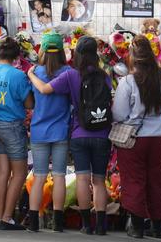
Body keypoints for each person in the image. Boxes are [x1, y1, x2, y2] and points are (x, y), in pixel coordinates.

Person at [29, 36, 112, 235]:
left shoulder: (71, 75)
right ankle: (98, 225)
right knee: (97, 181)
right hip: (98, 133)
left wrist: (31, 73)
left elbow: (44, 90)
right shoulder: (105, 76)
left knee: (75, 179)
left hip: (75, 133)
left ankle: (84, 225)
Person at [112, 35, 161, 239]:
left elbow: (118, 114)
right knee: (157, 180)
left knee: (134, 180)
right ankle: (157, 226)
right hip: (158, 137)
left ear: (133, 57)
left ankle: (136, 227)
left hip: (134, 138)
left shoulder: (127, 82)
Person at [0, 37, 34, 230]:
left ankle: (1, 215)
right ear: (16, 56)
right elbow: (29, 103)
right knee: (19, 173)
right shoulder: (19, 75)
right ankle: (7, 218)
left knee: (3, 172)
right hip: (12, 125)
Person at [27, 33, 72, 233]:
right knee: (60, 175)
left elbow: (30, 101)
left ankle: (34, 222)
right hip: (61, 130)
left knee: (39, 176)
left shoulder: (35, 71)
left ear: (42, 51)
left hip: (39, 131)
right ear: (61, 51)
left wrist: (30, 75)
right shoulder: (68, 72)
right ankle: (58, 223)